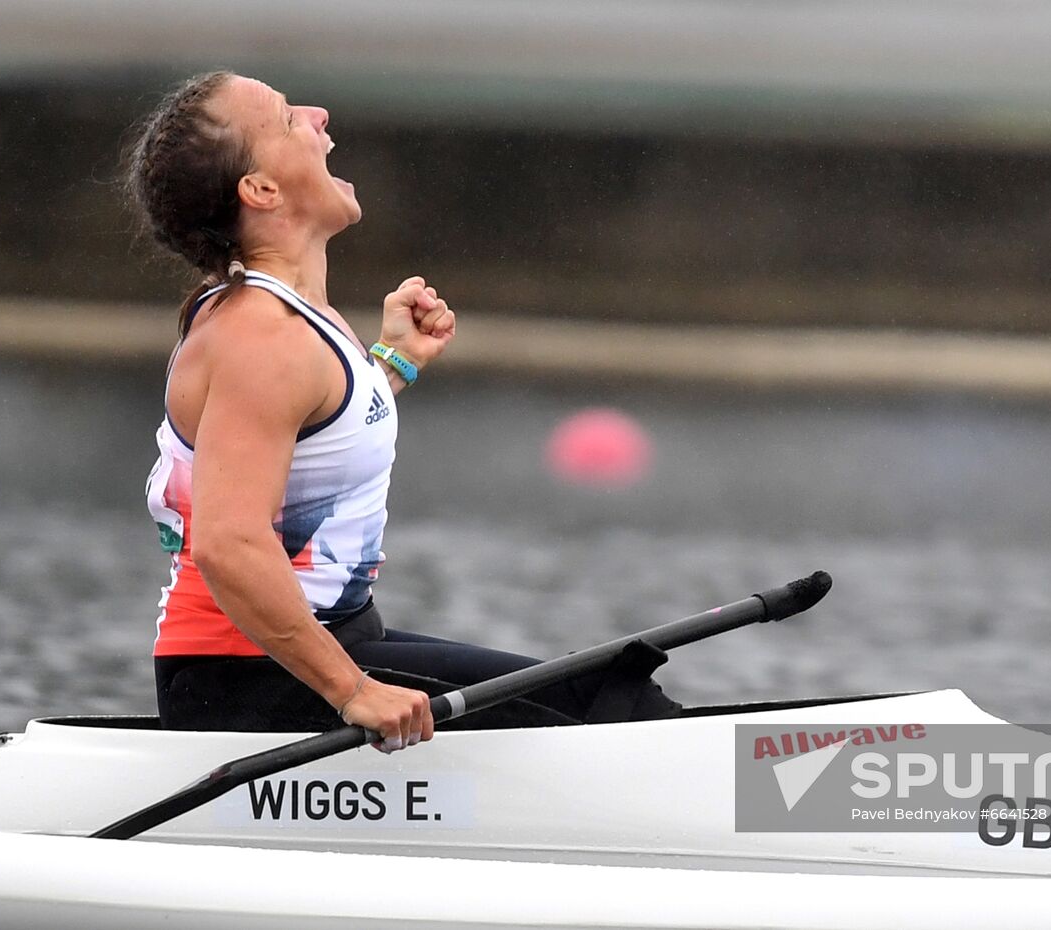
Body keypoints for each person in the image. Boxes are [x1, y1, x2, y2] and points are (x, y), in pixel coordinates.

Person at [124, 72, 677, 751]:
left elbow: (313, 440)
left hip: (323, 646)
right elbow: (228, 542)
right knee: (617, 704)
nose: (319, 112)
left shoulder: (289, 320)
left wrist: (392, 365)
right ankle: (801, 802)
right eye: (288, 119)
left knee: (608, 685)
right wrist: (354, 692)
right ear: (259, 189)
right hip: (248, 683)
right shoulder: (257, 337)